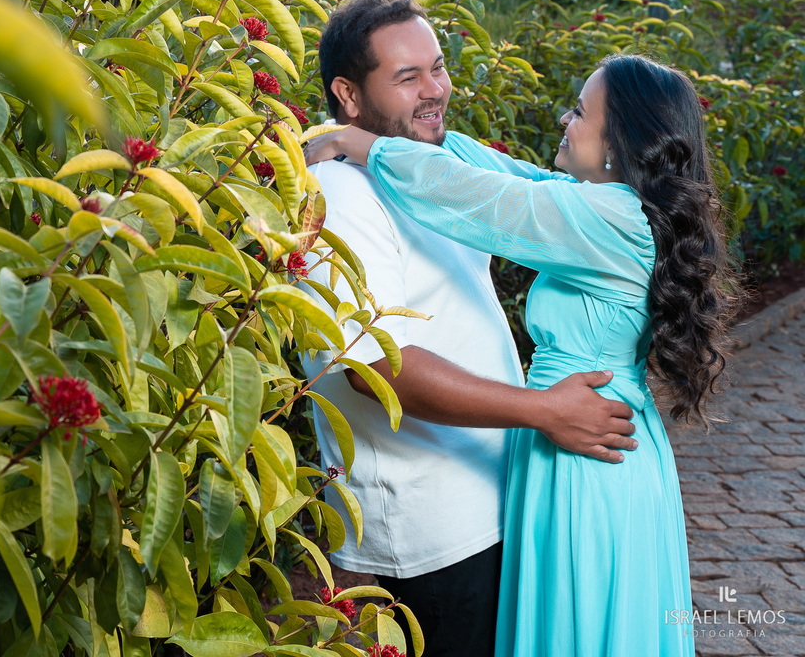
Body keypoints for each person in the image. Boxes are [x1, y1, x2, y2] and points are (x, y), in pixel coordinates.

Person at [304, 43, 737, 656]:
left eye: (580, 112)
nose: (566, 118)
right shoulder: (609, 206)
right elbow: (512, 178)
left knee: (577, 624)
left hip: (587, 447)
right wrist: (413, 133)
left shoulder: (609, 217)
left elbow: (482, 200)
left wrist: (365, 145)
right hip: (588, 431)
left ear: (616, 143)